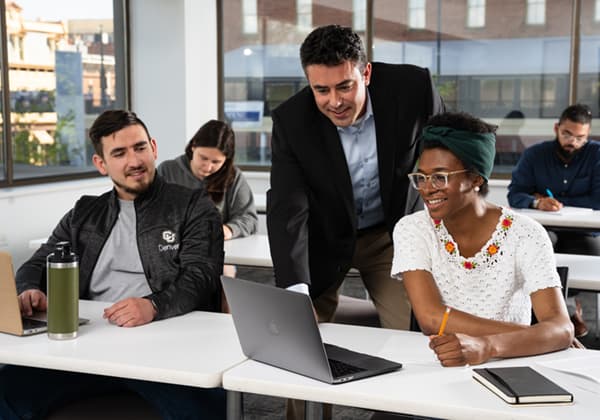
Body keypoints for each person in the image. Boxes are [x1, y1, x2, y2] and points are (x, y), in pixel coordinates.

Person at [0, 110, 226, 419]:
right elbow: (41, 259)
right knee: (6, 390)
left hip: (168, 351)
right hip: (88, 348)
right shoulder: (84, 212)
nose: (134, 160)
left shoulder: (192, 206)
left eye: (140, 147)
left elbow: (201, 277)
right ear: (101, 164)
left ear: (154, 148)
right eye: (119, 153)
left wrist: (153, 306)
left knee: (203, 411)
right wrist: (28, 289)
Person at [267, 24, 445, 332]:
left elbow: (454, 143)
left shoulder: (413, 89)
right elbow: (287, 207)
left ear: (366, 74)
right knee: (298, 337)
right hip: (323, 238)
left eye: (344, 86)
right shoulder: (292, 121)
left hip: (390, 237)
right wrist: (296, 292)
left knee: (413, 335)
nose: (334, 102)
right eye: (321, 90)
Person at [391, 111, 573, 367]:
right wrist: (541, 336)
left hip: (512, 365)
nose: (427, 188)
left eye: (440, 177)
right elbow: (431, 318)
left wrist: (489, 346)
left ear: (476, 178)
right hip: (436, 363)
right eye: (421, 177)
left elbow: (560, 329)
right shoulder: (413, 228)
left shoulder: (527, 234)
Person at [507, 103, 600, 337]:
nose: (573, 142)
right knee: (539, 249)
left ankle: (579, 317)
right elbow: (515, 194)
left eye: (581, 138)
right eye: (567, 134)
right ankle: (551, 316)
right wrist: (536, 202)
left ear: (588, 135)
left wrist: (558, 200)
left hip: (584, 232)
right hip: (544, 227)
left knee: (590, 251)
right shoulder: (535, 154)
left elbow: (598, 200)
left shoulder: (596, 154)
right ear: (556, 128)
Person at [157, 119, 258, 242]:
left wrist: (228, 230)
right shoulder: (167, 170)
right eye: (203, 158)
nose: (208, 167)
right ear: (193, 146)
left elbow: (249, 219)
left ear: (226, 160)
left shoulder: (234, 177)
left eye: (216, 162)